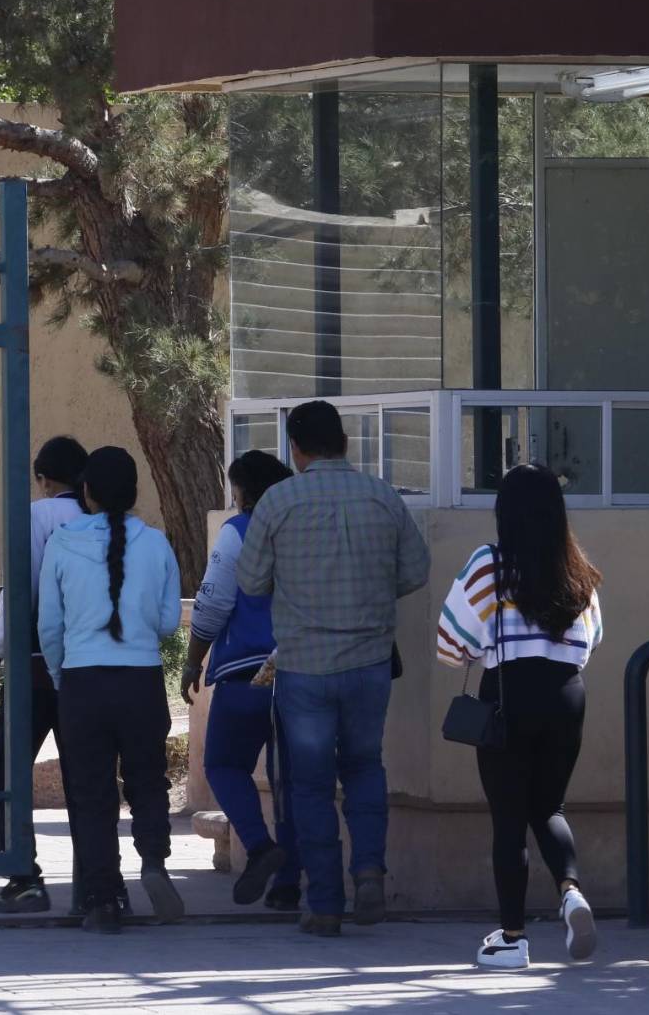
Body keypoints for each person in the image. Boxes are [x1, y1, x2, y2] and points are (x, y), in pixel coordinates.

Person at [237, 401, 430, 938]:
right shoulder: (382, 496)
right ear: (344, 442)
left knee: (310, 785)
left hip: (304, 668)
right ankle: (368, 870)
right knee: (365, 766)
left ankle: (324, 903)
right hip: (369, 663)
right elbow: (416, 570)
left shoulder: (278, 501)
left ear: (295, 449)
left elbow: (251, 582)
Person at [436, 463, 602, 970]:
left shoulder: (489, 564)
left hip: (509, 697)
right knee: (549, 807)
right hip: (567, 695)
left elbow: (450, 643)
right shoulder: (577, 568)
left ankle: (512, 939)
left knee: (509, 819)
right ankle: (570, 891)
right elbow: (592, 638)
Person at [39, 446, 183, 934]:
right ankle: (155, 862)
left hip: (83, 682)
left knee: (92, 793)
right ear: (134, 491)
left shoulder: (61, 543)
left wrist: (61, 676)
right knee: (148, 780)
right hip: (141, 681)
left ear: (86, 492)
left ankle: (102, 899)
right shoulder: (157, 544)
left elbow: (50, 627)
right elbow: (168, 622)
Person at [181, 450, 302, 910]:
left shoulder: (238, 531)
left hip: (245, 675)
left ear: (245, 492)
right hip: (303, 669)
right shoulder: (305, 530)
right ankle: (289, 883)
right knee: (293, 781)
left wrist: (193, 661)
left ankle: (258, 845)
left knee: (224, 765)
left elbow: (212, 604)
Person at [0, 435, 89, 914]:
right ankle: (94, 880)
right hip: (88, 665)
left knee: (6, 769)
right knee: (84, 773)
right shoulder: (101, 519)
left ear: (42, 479)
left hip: (36, 666)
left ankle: (25, 875)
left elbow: (19, 591)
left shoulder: (37, 515)